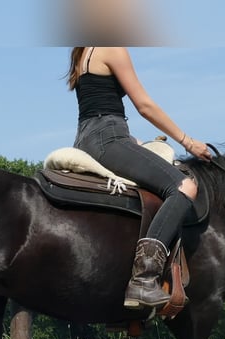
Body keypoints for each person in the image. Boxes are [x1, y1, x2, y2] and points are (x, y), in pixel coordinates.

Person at [68, 46, 212, 310]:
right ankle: (144, 279)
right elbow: (144, 105)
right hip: (108, 137)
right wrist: (188, 142)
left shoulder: (83, 51)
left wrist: (128, 139)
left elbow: (96, 107)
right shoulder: (111, 48)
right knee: (184, 185)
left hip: (87, 138)